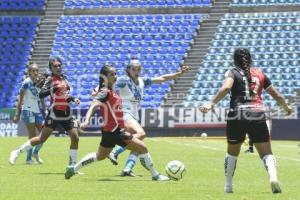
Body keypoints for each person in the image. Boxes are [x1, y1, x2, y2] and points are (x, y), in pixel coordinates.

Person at [200, 48, 292, 194]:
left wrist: (210, 103)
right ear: (250, 59)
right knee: (266, 153)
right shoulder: (260, 74)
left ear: (235, 60)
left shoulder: (232, 72)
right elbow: (278, 96)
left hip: (237, 115)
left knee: (232, 153)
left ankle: (228, 186)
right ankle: (273, 177)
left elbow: (225, 88)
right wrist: (287, 108)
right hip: (257, 115)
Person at [64, 64, 169, 181]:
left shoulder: (111, 90)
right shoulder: (105, 91)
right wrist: (87, 120)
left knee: (99, 156)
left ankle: (73, 169)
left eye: (115, 74)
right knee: (142, 148)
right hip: (116, 131)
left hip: (108, 132)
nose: (115, 76)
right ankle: (155, 175)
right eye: (112, 74)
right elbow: (94, 104)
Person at [103, 58, 190, 176]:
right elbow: (110, 84)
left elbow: (162, 78)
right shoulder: (124, 80)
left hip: (133, 115)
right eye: (134, 68)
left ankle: (127, 168)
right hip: (124, 113)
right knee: (141, 133)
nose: (137, 71)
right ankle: (114, 151)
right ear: (128, 70)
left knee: (138, 141)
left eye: (139, 68)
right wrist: (98, 91)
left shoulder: (142, 81)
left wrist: (179, 74)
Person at [9, 57, 81, 168]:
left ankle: (72, 167)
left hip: (66, 112)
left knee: (75, 137)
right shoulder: (50, 80)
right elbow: (41, 94)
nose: (58, 67)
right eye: (55, 66)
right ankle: (17, 152)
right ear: (51, 68)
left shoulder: (64, 79)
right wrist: (52, 89)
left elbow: (64, 95)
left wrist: (73, 98)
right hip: (55, 112)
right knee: (41, 139)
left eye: (59, 65)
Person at [13, 63, 46, 164]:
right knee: (32, 136)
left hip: (37, 111)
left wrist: (44, 108)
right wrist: (17, 114)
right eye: (33, 71)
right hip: (28, 110)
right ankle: (28, 159)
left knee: (43, 135)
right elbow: (20, 98)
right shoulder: (26, 82)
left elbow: (41, 96)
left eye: (37, 70)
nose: (36, 72)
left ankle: (35, 153)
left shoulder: (40, 82)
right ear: (29, 72)